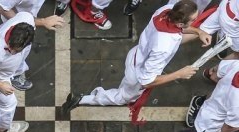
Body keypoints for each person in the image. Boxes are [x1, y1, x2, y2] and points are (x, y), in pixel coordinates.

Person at [63, 1, 209, 120]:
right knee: (121, 98)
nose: (196, 20)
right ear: (180, 24)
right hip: (138, 73)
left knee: (126, 90)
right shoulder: (164, 46)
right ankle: (82, 99)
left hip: (136, 54)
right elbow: (147, 81)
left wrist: (198, 31)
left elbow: (179, 28)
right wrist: (179, 74)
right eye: (194, 20)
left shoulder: (167, 10)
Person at [116, 55, 239, 132]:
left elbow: (213, 75)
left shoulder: (236, 66)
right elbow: (226, 129)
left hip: (209, 105)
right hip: (205, 127)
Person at [0, 0, 62, 91]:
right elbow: (2, 8)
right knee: (14, 46)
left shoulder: (26, 17)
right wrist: (42, 21)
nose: (12, 52)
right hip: (17, 18)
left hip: (24, 18)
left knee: (11, 37)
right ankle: (16, 74)